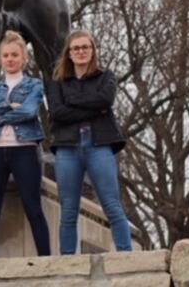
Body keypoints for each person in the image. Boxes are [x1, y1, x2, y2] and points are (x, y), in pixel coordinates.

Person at [46, 29, 132, 254]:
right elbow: (56, 113)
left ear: (93, 51)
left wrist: (72, 103)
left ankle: (126, 256)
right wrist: (94, 109)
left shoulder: (106, 77)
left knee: (112, 205)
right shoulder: (57, 83)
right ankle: (67, 261)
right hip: (67, 147)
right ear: (69, 54)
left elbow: (106, 99)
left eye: (86, 47)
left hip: (99, 145)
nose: (81, 51)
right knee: (68, 210)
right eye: (76, 48)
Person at [0, 30, 51, 258]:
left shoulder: (34, 85)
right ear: (0, 59)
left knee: (33, 207)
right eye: (6, 55)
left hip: (24, 149)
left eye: (15, 55)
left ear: (23, 58)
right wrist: (11, 107)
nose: (10, 59)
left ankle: (46, 259)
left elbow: (29, 111)